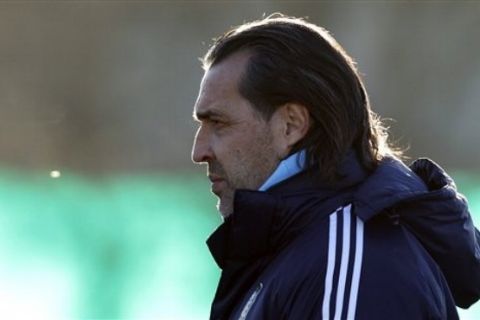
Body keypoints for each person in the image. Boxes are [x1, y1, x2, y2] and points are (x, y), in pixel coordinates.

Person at [191, 15, 480, 320]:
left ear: (291, 125)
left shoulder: (355, 263)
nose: (199, 151)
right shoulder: (304, 249)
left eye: (218, 123)